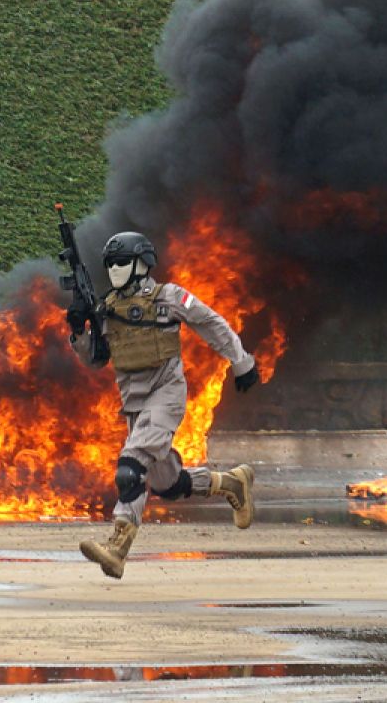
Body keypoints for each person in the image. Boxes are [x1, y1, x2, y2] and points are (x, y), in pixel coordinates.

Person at [66, 231, 262, 578]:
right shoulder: (108, 308)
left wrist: (241, 361)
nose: (114, 270)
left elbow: (210, 322)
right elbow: (96, 360)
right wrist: (79, 328)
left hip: (166, 395)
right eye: (109, 264)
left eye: (122, 262)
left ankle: (117, 548)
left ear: (142, 263)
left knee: (130, 466)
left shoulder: (167, 297)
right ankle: (231, 483)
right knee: (166, 483)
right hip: (134, 404)